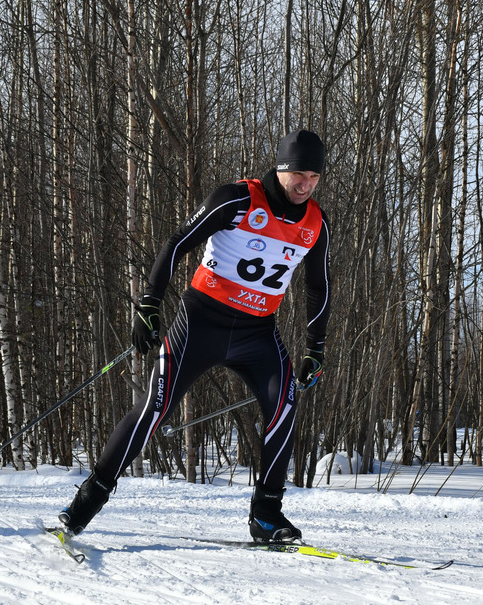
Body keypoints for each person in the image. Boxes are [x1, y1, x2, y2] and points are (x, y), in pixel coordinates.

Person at [58, 129, 332, 543]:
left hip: (258, 332)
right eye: (299, 174)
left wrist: (316, 347)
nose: (305, 185)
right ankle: (86, 503)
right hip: (201, 321)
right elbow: (177, 243)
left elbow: (319, 285)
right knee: (154, 409)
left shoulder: (316, 223)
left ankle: (266, 515)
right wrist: (150, 303)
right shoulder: (237, 198)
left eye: (314, 177)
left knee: (285, 406)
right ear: (281, 168)